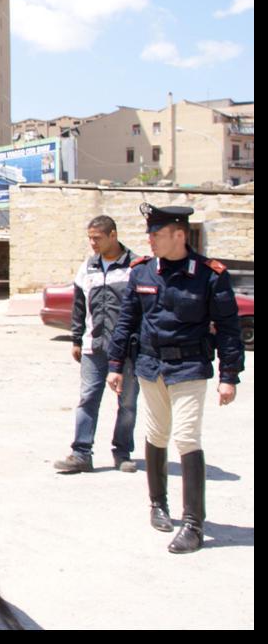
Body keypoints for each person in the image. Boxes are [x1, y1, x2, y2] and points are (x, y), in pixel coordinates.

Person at [107, 204, 244, 554]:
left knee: (186, 437)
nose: (150, 240)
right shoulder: (141, 272)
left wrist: (229, 375)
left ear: (179, 235)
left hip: (189, 367)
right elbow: (126, 321)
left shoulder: (210, 275)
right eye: (149, 234)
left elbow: (229, 328)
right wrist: (115, 364)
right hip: (150, 366)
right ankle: (158, 505)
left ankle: (194, 525)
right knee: (156, 434)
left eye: (157, 234)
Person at [54, 216, 139, 474]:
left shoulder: (135, 267)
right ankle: (81, 454)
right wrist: (76, 338)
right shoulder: (88, 267)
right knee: (88, 398)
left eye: (97, 238)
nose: (92, 243)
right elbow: (79, 306)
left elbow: (142, 310)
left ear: (113, 235)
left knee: (127, 402)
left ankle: (122, 453)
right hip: (93, 347)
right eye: (90, 238)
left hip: (126, 349)